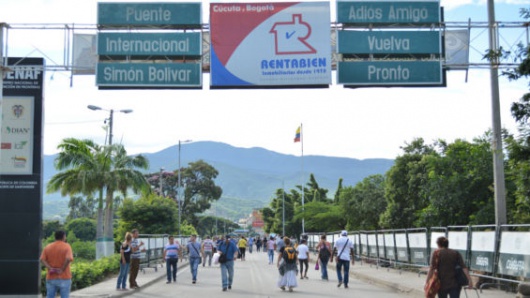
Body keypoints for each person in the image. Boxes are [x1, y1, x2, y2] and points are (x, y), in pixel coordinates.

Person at [40, 230, 74, 298]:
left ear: (55, 237)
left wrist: (50, 268)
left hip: (51, 276)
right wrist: (62, 269)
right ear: (64, 237)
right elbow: (68, 258)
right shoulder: (67, 246)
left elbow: (42, 259)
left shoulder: (48, 247)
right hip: (64, 276)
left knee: (50, 296)